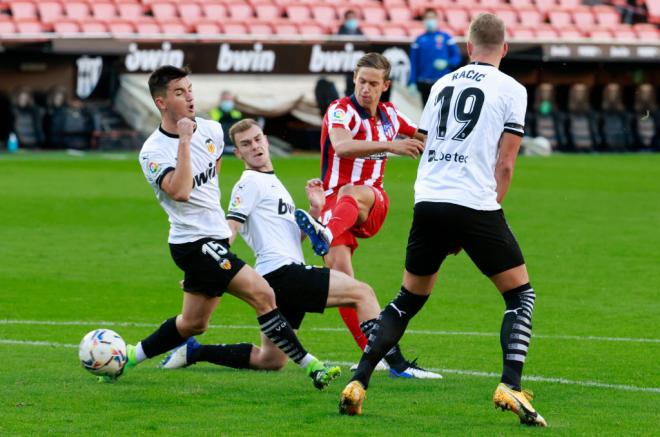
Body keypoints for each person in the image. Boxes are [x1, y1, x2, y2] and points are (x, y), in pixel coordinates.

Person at [338, 13, 548, 428]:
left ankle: (358, 381)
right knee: (520, 296)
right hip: (472, 201)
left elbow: (423, 142)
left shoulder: (441, 85)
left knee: (407, 299)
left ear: (468, 48)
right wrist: (487, 210)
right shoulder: (513, 89)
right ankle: (510, 383)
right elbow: (505, 164)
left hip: (429, 199)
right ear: (503, 49)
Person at [159, 119, 440, 380]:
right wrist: (207, 268)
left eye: (257, 140)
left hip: (277, 277)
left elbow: (292, 239)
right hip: (282, 274)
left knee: (270, 359)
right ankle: (397, 365)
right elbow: (229, 227)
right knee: (362, 293)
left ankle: (194, 351)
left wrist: (316, 211)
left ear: (266, 140)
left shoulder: (271, 182)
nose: (254, 146)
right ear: (239, 154)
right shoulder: (249, 182)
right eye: (246, 144)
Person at [120, 65, 341, 391]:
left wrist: (215, 252)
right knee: (264, 294)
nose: (190, 97)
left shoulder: (212, 130)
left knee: (194, 323)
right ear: (161, 102)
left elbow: (212, 181)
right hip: (191, 242)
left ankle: (128, 357)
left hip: (213, 242)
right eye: (179, 93)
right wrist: (183, 140)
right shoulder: (153, 151)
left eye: (190, 89)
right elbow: (181, 190)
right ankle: (313, 367)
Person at [294, 53, 426, 359]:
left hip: (371, 203)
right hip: (333, 206)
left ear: (385, 86)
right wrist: (391, 145)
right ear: (354, 79)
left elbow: (424, 138)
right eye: (361, 81)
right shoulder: (339, 111)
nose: (365, 88)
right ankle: (378, 355)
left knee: (352, 190)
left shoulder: (392, 115)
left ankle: (323, 234)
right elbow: (341, 145)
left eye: (373, 83)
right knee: (345, 283)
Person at [409, 9, 462, 106]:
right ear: (423, 21)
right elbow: (413, 62)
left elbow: (457, 57)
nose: (430, 21)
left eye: (432, 18)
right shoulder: (418, 40)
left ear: (437, 19)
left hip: (442, 82)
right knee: (427, 111)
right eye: (427, 18)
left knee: (442, 112)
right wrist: (412, 81)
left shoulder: (446, 38)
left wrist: (447, 62)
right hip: (424, 83)